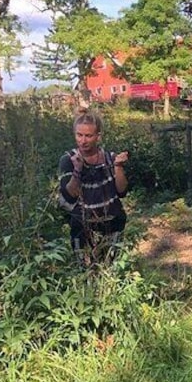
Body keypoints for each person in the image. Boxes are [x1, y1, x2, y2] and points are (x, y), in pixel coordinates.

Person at [59, 111, 129, 266]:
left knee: (111, 266)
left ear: (98, 136)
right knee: (84, 269)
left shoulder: (109, 157)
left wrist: (118, 167)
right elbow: (70, 195)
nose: (83, 141)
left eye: (88, 136)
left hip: (112, 221)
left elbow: (122, 191)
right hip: (82, 224)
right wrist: (77, 170)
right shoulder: (68, 160)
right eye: (79, 135)